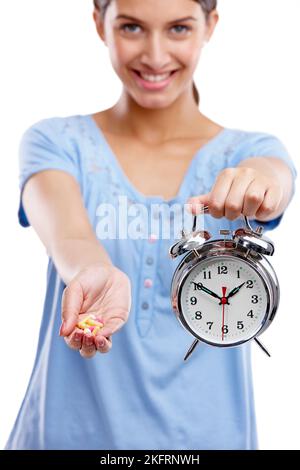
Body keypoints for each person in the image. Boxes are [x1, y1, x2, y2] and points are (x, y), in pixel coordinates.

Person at [6, 0, 297, 450]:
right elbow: (67, 232)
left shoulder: (249, 151)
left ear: (210, 26)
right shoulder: (54, 142)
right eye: (132, 27)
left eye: (179, 28)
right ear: (100, 24)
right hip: (66, 438)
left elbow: (275, 178)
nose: (156, 55)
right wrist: (91, 272)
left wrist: (259, 182)